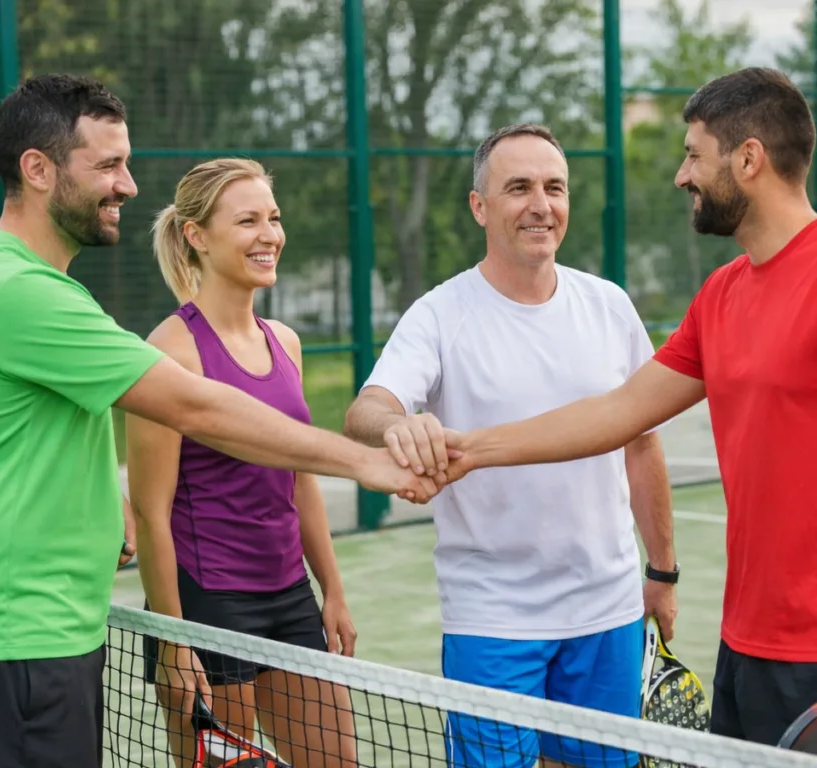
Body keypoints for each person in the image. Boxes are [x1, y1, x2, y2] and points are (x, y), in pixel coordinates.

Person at [0, 73, 439, 768]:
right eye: (107, 165)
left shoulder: (8, 280)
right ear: (37, 170)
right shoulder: (18, 291)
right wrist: (365, 461)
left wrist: (107, 505)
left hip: (35, 633)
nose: (128, 185)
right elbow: (194, 405)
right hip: (15, 639)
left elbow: (22, 437)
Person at [443, 68, 817, 748]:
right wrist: (467, 451)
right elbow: (618, 412)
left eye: (694, 154)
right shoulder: (723, 294)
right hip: (744, 643)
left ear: (749, 159)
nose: (682, 176)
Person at [342, 123, 677, 768]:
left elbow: (642, 446)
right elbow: (367, 409)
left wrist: (660, 572)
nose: (540, 204)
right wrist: (396, 425)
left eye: (555, 187)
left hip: (605, 611)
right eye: (518, 187)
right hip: (491, 618)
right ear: (479, 206)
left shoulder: (609, 306)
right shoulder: (439, 314)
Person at [127, 157, 358, 768]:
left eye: (274, 219)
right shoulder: (167, 351)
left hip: (290, 596)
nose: (269, 235)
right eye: (248, 220)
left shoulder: (286, 341)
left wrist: (330, 588)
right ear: (196, 236)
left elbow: (299, 476)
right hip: (209, 605)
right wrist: (175, 642)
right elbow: (151, 514)